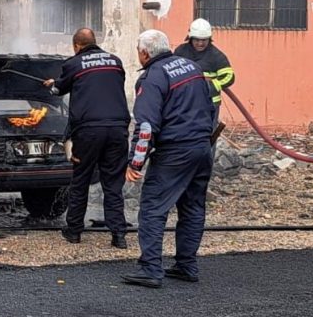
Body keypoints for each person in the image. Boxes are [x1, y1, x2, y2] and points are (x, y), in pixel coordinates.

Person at [121, 30, 215, 289]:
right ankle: (186, 265)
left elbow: (146, 127)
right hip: (202, 147)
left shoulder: (153, 77)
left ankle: (150, 269)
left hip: (175, 151)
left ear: (144, 53)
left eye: (138, 51)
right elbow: (210, 107)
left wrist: (135, 163)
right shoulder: (192, 67)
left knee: (153, 207)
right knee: (192, 207)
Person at [43, 28, 131, 249]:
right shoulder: (115, 62)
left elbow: (58, 91)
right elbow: (102, 84)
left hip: (89, 131)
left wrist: (52, 84)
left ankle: (74, 231)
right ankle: (119, 236)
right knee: (113, 184)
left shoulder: (73, 63)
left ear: (76, 45)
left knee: (80, 180)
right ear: (95, 42)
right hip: (118, 130)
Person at [174, 18, 235, 129]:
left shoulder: (216, 55)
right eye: (197, 40)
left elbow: (229, 76)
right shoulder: (181, 52)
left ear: (209, 39)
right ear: (190, 38)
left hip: (209, 104)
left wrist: (211, 85)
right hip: (184, 102)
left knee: (207, 134)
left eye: (204, 40)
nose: (200, 43)